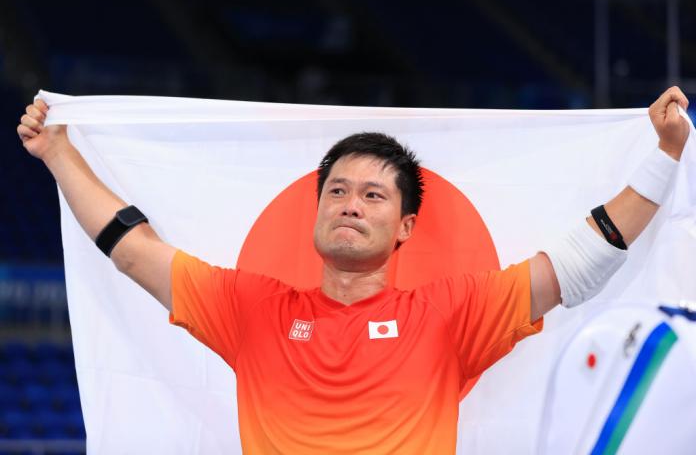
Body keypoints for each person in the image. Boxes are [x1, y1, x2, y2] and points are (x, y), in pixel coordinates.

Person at [17, 87, 690, 453]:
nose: (349, 204)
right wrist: (57, 154)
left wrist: (663, 154)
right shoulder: (253, 308)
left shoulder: (449, 314)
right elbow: (131, 249)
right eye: (336, 190)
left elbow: (581, 262)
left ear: (404, 228)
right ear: (314, 212)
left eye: (373, 195)